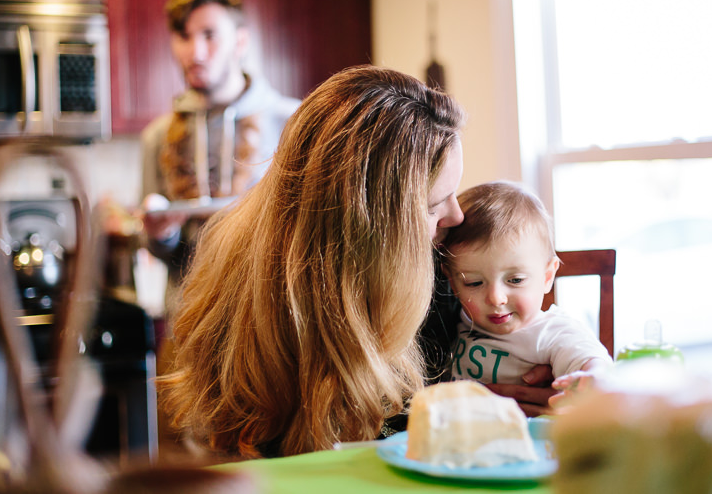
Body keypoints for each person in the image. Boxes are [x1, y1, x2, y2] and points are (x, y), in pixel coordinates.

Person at [160, 65, 466, 459]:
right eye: (434, 206)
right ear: (368, 228)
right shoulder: (247, 303)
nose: (457, 216)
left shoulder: (447, 275)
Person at [140, 0, 300, 320]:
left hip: (273, 322)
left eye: (210, 35)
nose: (195, 52)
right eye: (184, 36)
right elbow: (161, 251)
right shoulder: (158, 137)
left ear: (240, 41)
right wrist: (161, 235)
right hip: (190, 325)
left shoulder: (293, 123)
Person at [440, 181, 613, 403]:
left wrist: (593, 378)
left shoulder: (550, 332)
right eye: (474, 283)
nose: (496, 298)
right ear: (452, 283)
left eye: (515, 280)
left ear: (547, 277)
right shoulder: (456, 319)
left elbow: (589, 358)